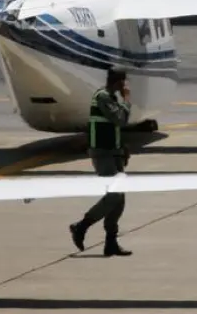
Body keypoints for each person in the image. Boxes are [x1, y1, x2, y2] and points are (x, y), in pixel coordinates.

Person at [69, 69, 133, 257]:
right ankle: (81, 226)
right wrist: (127, 100)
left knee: (119, 200)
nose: (125, 86)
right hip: (103, 153)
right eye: (124, 82)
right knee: (114, 196)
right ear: (118, 82)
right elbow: (120, 119)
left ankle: (111, 242)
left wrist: (123, 147)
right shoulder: (103, 97)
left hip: (114, 152)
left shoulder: (111, 98)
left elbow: (113, 127)